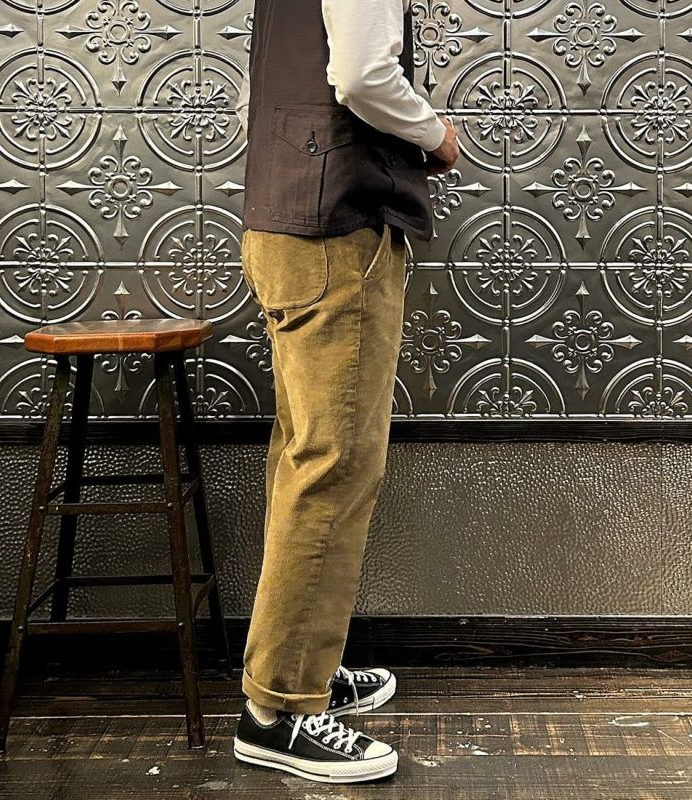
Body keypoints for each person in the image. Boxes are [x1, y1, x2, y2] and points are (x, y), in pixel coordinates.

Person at [232, 0, 459, 784]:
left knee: (304, 458)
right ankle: (280, 710)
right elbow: (362, 76)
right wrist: (436, 134)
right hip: (335, 231)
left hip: (284, 219)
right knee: (335, 465)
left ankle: (299, 667)